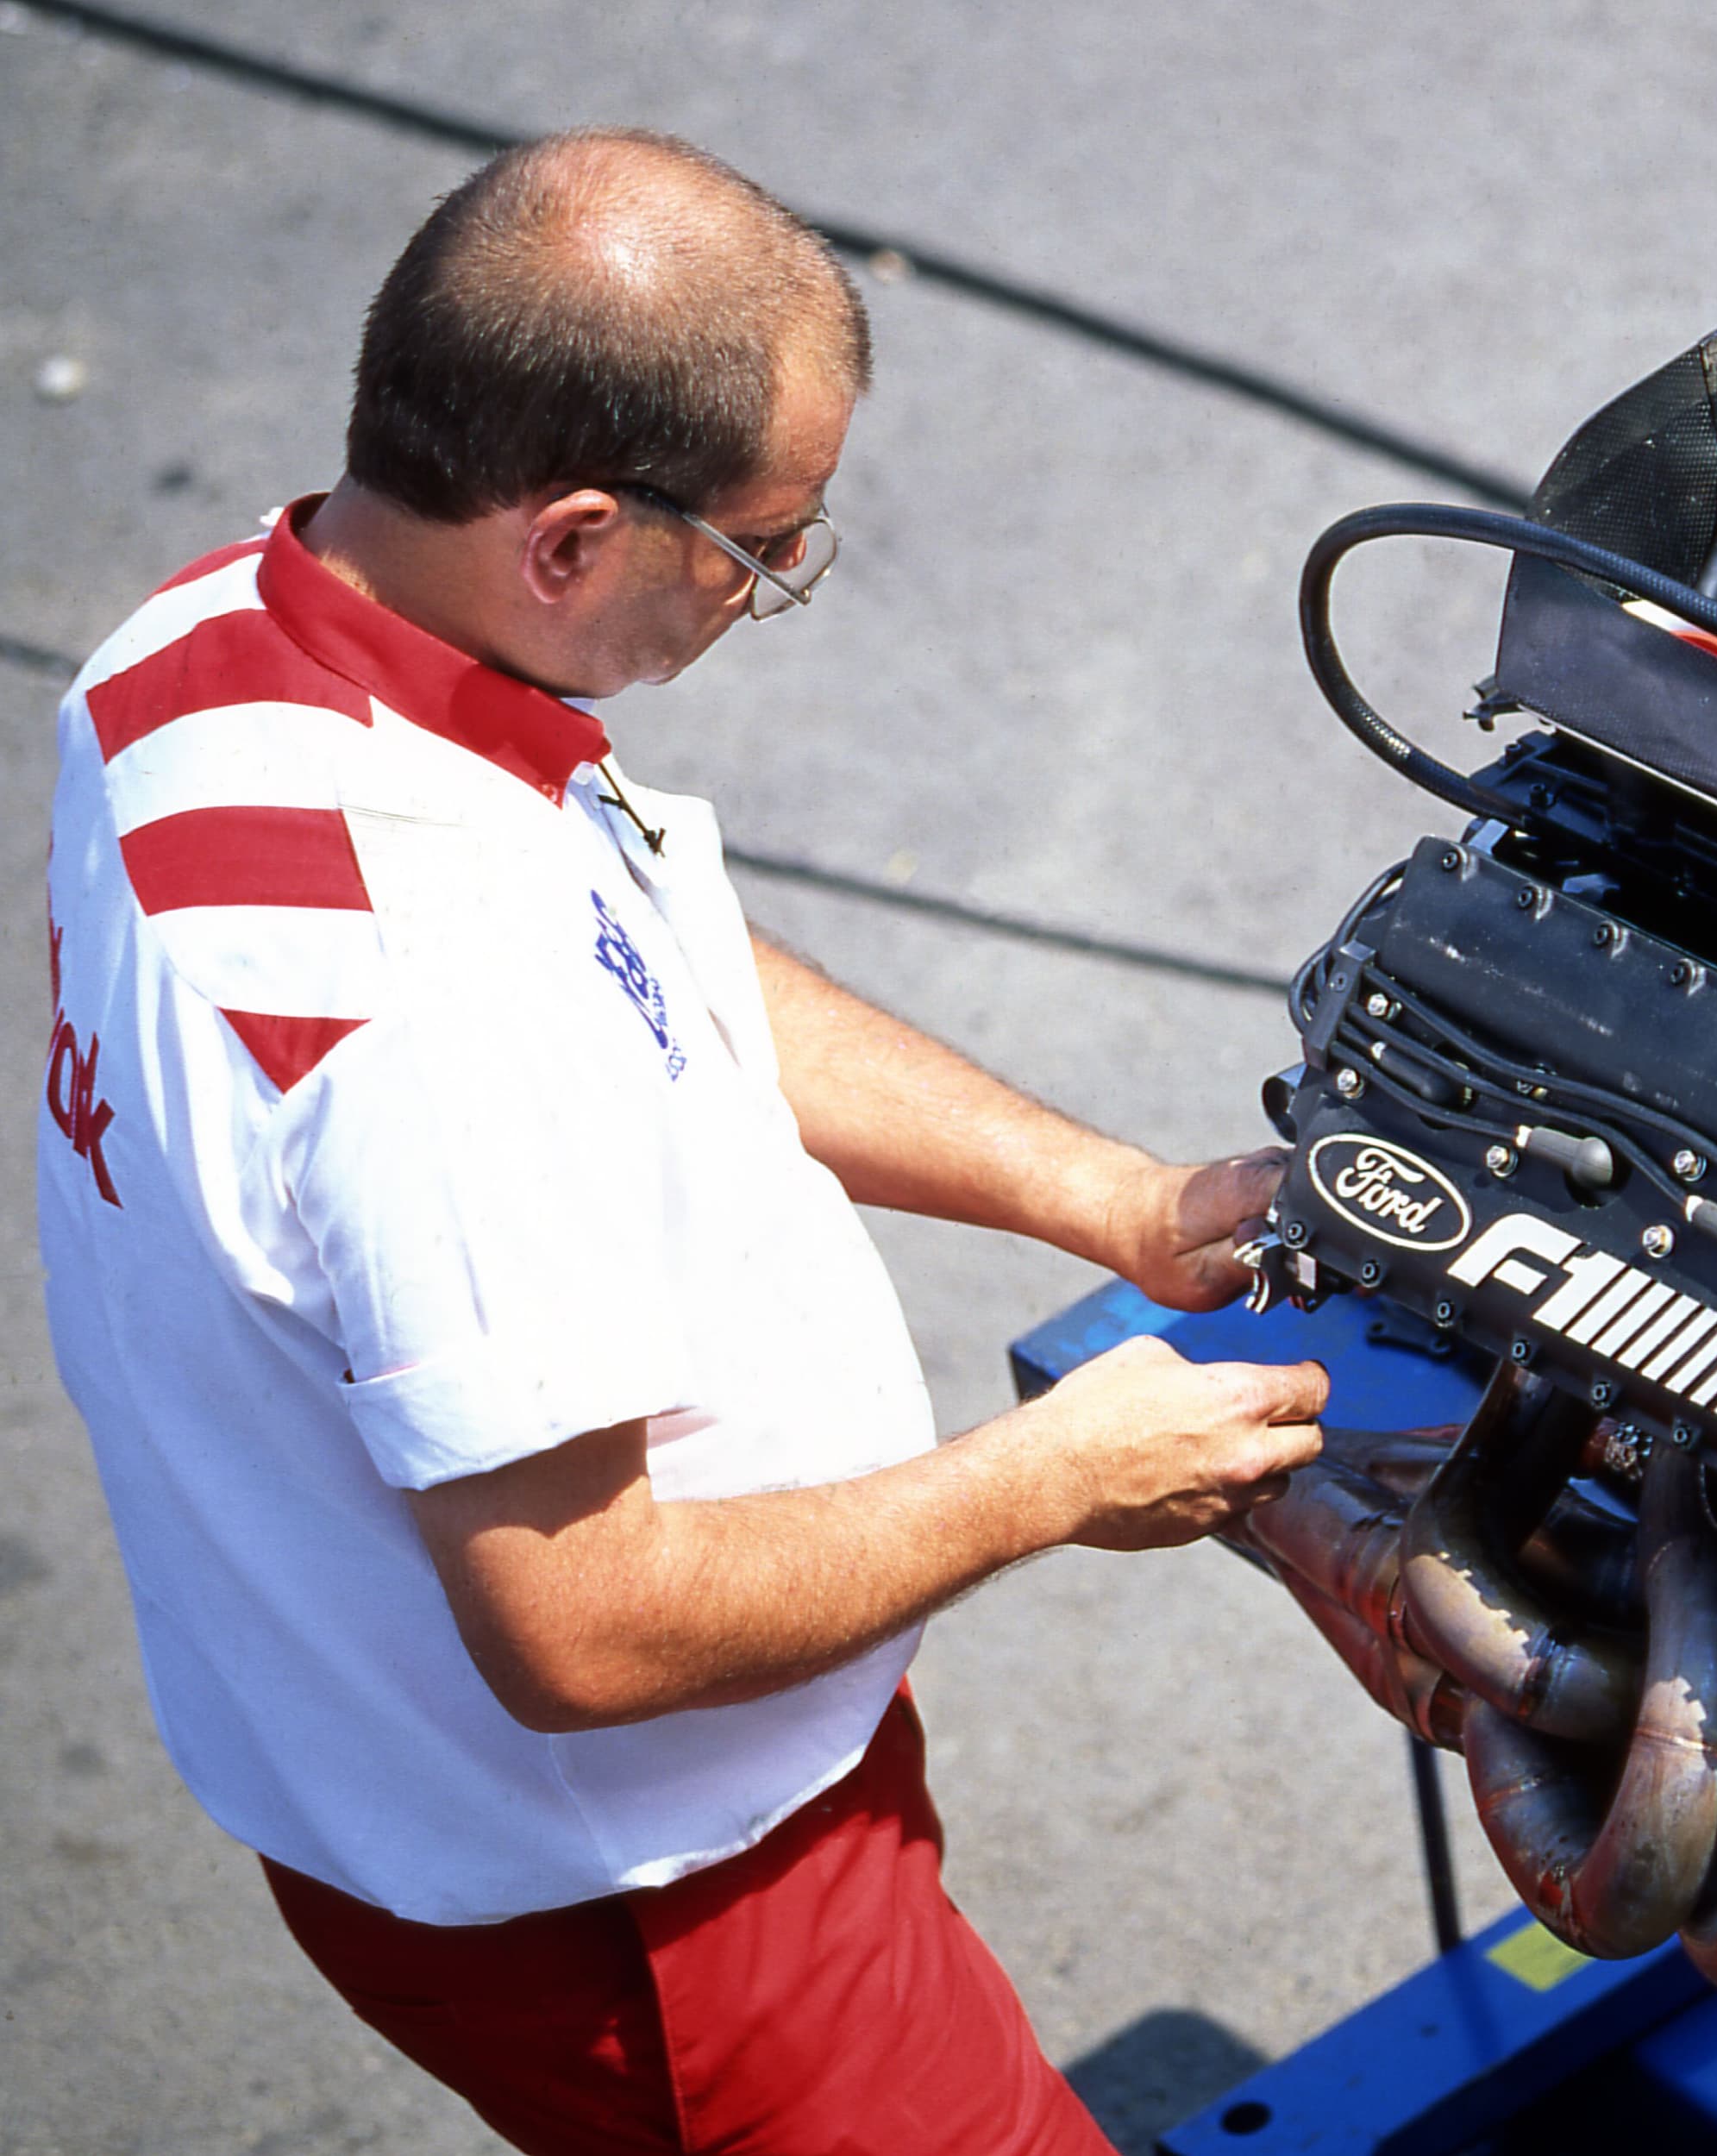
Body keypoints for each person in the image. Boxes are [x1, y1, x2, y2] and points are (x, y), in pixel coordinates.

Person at [35, 128, 1325, 2154]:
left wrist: (1120, 1202)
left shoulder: (209, 646)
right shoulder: (431, 1015)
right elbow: (589, 1621)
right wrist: (1052, 1475)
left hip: (565, 1799)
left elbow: (656, 960)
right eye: (763, 544)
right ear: (565, 535)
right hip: (650, 1897)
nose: (776, 584)